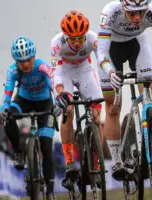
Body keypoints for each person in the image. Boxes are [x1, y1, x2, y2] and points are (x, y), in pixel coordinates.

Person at [96, 0, 152, 180]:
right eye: (132, 13)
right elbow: (101, 52)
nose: (137, 18)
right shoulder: (110, 12)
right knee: (112, 106)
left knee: (151, 93)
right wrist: (110, 72)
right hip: (111, 51)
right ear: (123, 8)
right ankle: (116, 161)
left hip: (137, 44)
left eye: (141, 12)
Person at [51, 10, 104, 188]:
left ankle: (97, 165)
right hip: (64, 72)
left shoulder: (93, 38)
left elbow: (103, 60)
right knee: (69, 110)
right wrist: (61, 92)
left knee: (96, 117)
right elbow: (56, 72)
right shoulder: (57, 43)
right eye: (72, 39)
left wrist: (108, 79)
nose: (76, 43)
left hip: (85, 70)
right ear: (65, 36)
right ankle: (69, 163)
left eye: (79, 39)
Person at [1, 36, 56, 199]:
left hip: (45, 103)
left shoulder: (43, 67)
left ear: (34, 56)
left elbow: (53, 84)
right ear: (16, 61)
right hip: (23, 100)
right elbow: (9, 90)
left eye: (28, 60)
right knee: (8, 116)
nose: (25, 64)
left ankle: (51, 191)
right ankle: (19, 152)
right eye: (21, 61)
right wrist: (5, 107)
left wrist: (58, 103)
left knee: (46, 147)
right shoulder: (12, 70)